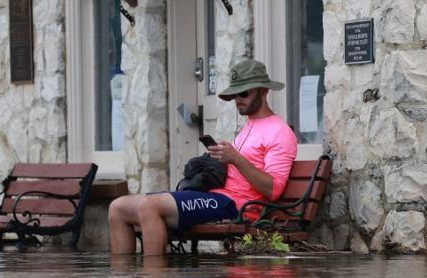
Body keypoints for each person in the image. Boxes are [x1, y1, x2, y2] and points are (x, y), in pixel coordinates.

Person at [108, 59, 298, 255]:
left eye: (243, 93)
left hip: (237, 206)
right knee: (118, 208)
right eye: (234, 94)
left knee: (150, 207)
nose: (237, 100)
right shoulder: (249, 125)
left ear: (263, 91)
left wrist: (236, 158)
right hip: (215, 196)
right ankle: (124, 275)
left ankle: (154, 274)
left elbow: (273, 189)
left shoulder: (280, 132)